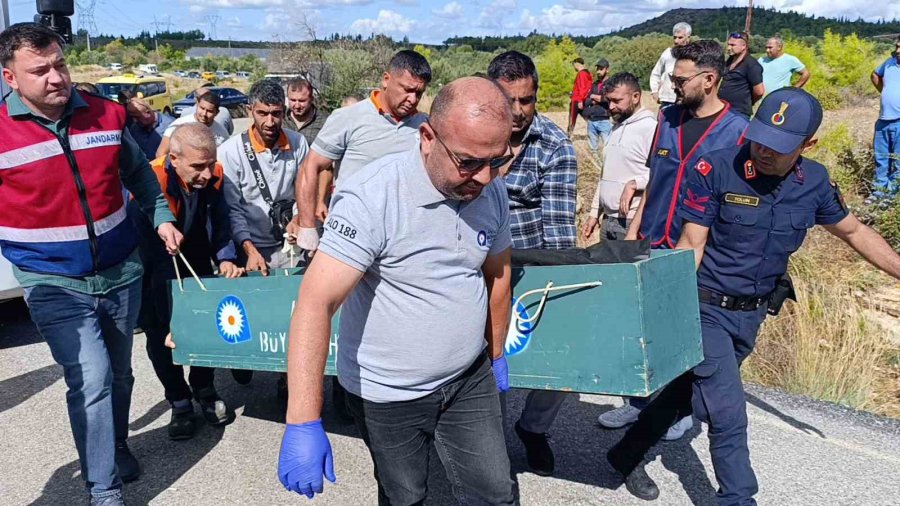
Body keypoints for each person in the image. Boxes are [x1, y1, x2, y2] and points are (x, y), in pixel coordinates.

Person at [624, 87, 900, 505]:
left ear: (809, 145)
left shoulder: (816, 183)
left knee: (686, 397)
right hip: (704, 307)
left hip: (751, 314)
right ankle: (738, 497)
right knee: (727, 413)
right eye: (759, 139)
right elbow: (691, 244)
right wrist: (669, 313)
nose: (763, 152)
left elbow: (855, 232)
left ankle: (623, 454)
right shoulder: (715, 168)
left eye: (778, 147)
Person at [277, 77, 516, 504]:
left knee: (495, 493)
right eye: (467, 162)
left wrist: (496, 355)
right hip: (389, 396)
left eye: (495, 160)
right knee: (405, 496)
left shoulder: (491, 188)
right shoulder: (373, 197)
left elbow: (498, 274)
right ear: (428, 137)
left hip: (467, 378)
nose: (483, 177)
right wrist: (302, 419)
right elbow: (316, 302)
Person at [0, 23, 181, 506]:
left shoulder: (106, 115)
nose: (56, 77)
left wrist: (161, 216)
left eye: (60, 64)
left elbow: (138, 173)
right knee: (93, 377)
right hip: (52, 280)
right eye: (39, 71)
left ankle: (115, 442)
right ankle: (104, 489)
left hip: (122, 270)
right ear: (11, 78)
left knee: (120, 374)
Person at [601, 40, 749, 456]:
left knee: (681, 334)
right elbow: (653, 179)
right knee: (641, 329)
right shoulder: (666, 120)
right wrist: (632, 233)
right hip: (651, 241)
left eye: (680, 79)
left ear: (709, 79)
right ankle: (636, 402)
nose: (671, 85)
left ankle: (677, 410)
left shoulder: (738, 133)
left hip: (697, 252)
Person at [487, 50, 577, 477]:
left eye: (528, 99)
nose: (519, 111)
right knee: (485, 365)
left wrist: (553, 288)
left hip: (530, 267)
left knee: (560, 362)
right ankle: (489, 446)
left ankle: (533, 428)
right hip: (476, 268)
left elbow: (558, 235)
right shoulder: (474, 135)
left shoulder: (555, 147)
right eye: (510, 101)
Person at [132, 124, 243, 440]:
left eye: (210, 164)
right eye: (198, 167)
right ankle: (180, 402)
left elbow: (221, 222)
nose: (207, 174)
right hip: (152, 267)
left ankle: (204, 388)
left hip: (194, 259)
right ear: (174, 158)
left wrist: (224, 256)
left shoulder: (214, 175)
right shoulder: (148, 178)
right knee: (160, 338)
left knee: (203, 329)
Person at [289, 50, 431, 252]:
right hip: (351, 236)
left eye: (419, 93)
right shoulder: (349, 118)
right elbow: (310, 167)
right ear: (386, 79)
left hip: (401, 240)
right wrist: (307, 226)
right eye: (407, 89)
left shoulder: (424, 125)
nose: (413, 99)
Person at [220, 79, 307, 275]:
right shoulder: (230, 152)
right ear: (250, 110)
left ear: (284, 112)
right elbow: (233, 210)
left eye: (276, 114)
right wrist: (249, 250)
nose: (269, 122)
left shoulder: (298, 143)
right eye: (262, 113)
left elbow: (304, 191)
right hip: (251, 250)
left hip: (290, 245)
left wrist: (298, 218)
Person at [583, 72, 656, 241]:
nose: (611, 106)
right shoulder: (615, 129)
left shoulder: (650, 128)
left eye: (617, 101)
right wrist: (595, 213)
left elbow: (662, 173)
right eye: (609, 101)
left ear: (636, 97)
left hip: (632, 222)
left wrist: (635, 184)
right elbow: (605, 175)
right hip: (608, 220)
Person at [869, 36, 900, 202]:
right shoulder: (889, 63)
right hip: (883, 120)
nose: (898, 50)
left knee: (898, 160)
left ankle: (892, 196)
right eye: (897, 46)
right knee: (881, 158)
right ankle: (878, 192)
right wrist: (885, 91)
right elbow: (874, 74)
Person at [157, 92, 229, 157]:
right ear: (197, 104)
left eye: (209, 111)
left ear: (216, 113)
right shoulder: (178, 125)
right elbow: (161, 154)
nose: (204, 114)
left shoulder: (222, 133)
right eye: (202, 108)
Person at [718, 31, 765, 117]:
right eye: (728, 44)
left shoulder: (752, 65)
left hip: (738, 113)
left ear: (744, 46)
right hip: (723, 109)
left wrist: (749, 102)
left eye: (732, 45)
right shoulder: (730, 60)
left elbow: (759, 92)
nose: (728, 48)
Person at [650, 22, 692, 107]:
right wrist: (654, 91)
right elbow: (656, 73)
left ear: (688, 38)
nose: (676, 41)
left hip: (686, 101)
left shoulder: (694, 55)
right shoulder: (668, 53)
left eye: (680, 37)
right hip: (667, 100)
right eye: (675, 37)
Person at [282, 77, 328, 144]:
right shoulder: (281, 118)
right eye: (293, 100)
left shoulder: (324, 122)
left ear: (311, 99)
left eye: (302, 101)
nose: (297, 106)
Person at [126, 96, 174, 160]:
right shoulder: (134, 129)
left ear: (147, 112)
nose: (135, 121)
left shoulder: (170, 125)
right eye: (132, 117)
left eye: (137, 117)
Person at [583, 58, 612, 154]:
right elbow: (586, 100)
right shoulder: (594, 84)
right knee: (593, 150)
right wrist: (595, 99)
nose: (598, 71)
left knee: (608, 148)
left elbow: (608, 99)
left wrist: (594, 97)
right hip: (592, 120)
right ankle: (595, 167)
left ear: (607, 70)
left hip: (604, 120)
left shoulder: (611, 84)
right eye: (598, 69)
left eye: (601, 69)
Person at [567, 56, 593, 137]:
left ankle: (568, 136)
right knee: (588, 118)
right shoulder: (588, 74)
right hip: (585, 99)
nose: (573, 67)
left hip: (577, 100)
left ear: (576, 64)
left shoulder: (581, 74)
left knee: (572, 119)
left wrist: (580, 100)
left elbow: (582, 87)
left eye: (573, 64)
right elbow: (587, 87)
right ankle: (594, 132)